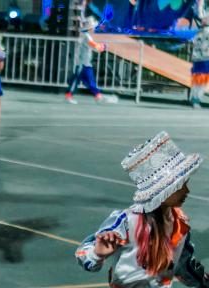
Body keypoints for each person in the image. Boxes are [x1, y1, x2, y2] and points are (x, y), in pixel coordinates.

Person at [75, 131, 209, 287]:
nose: (187, 191)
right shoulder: (126, 221)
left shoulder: (180, 224)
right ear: (163, 191)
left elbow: (183, 265)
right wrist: (96, 254)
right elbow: (84, 254)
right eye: (180, 186)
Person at [65, 17, 116, 104]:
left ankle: (97, 95)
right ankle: (95, 95)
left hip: (84, 62)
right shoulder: (86, 36)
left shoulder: (85, 35)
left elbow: (93, 47)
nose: (94, 29)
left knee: (83, 80)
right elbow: (95, 46)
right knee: (79, 80)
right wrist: (104, 46)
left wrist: (101, 47)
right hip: (82, 63)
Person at [190, 0, 209, 109]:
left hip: (204, 41)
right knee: (200, 72)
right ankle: (195, 97)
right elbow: (201, 18)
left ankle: (196, 97)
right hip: (202, 41)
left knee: (204, 72)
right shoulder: (200, 6)